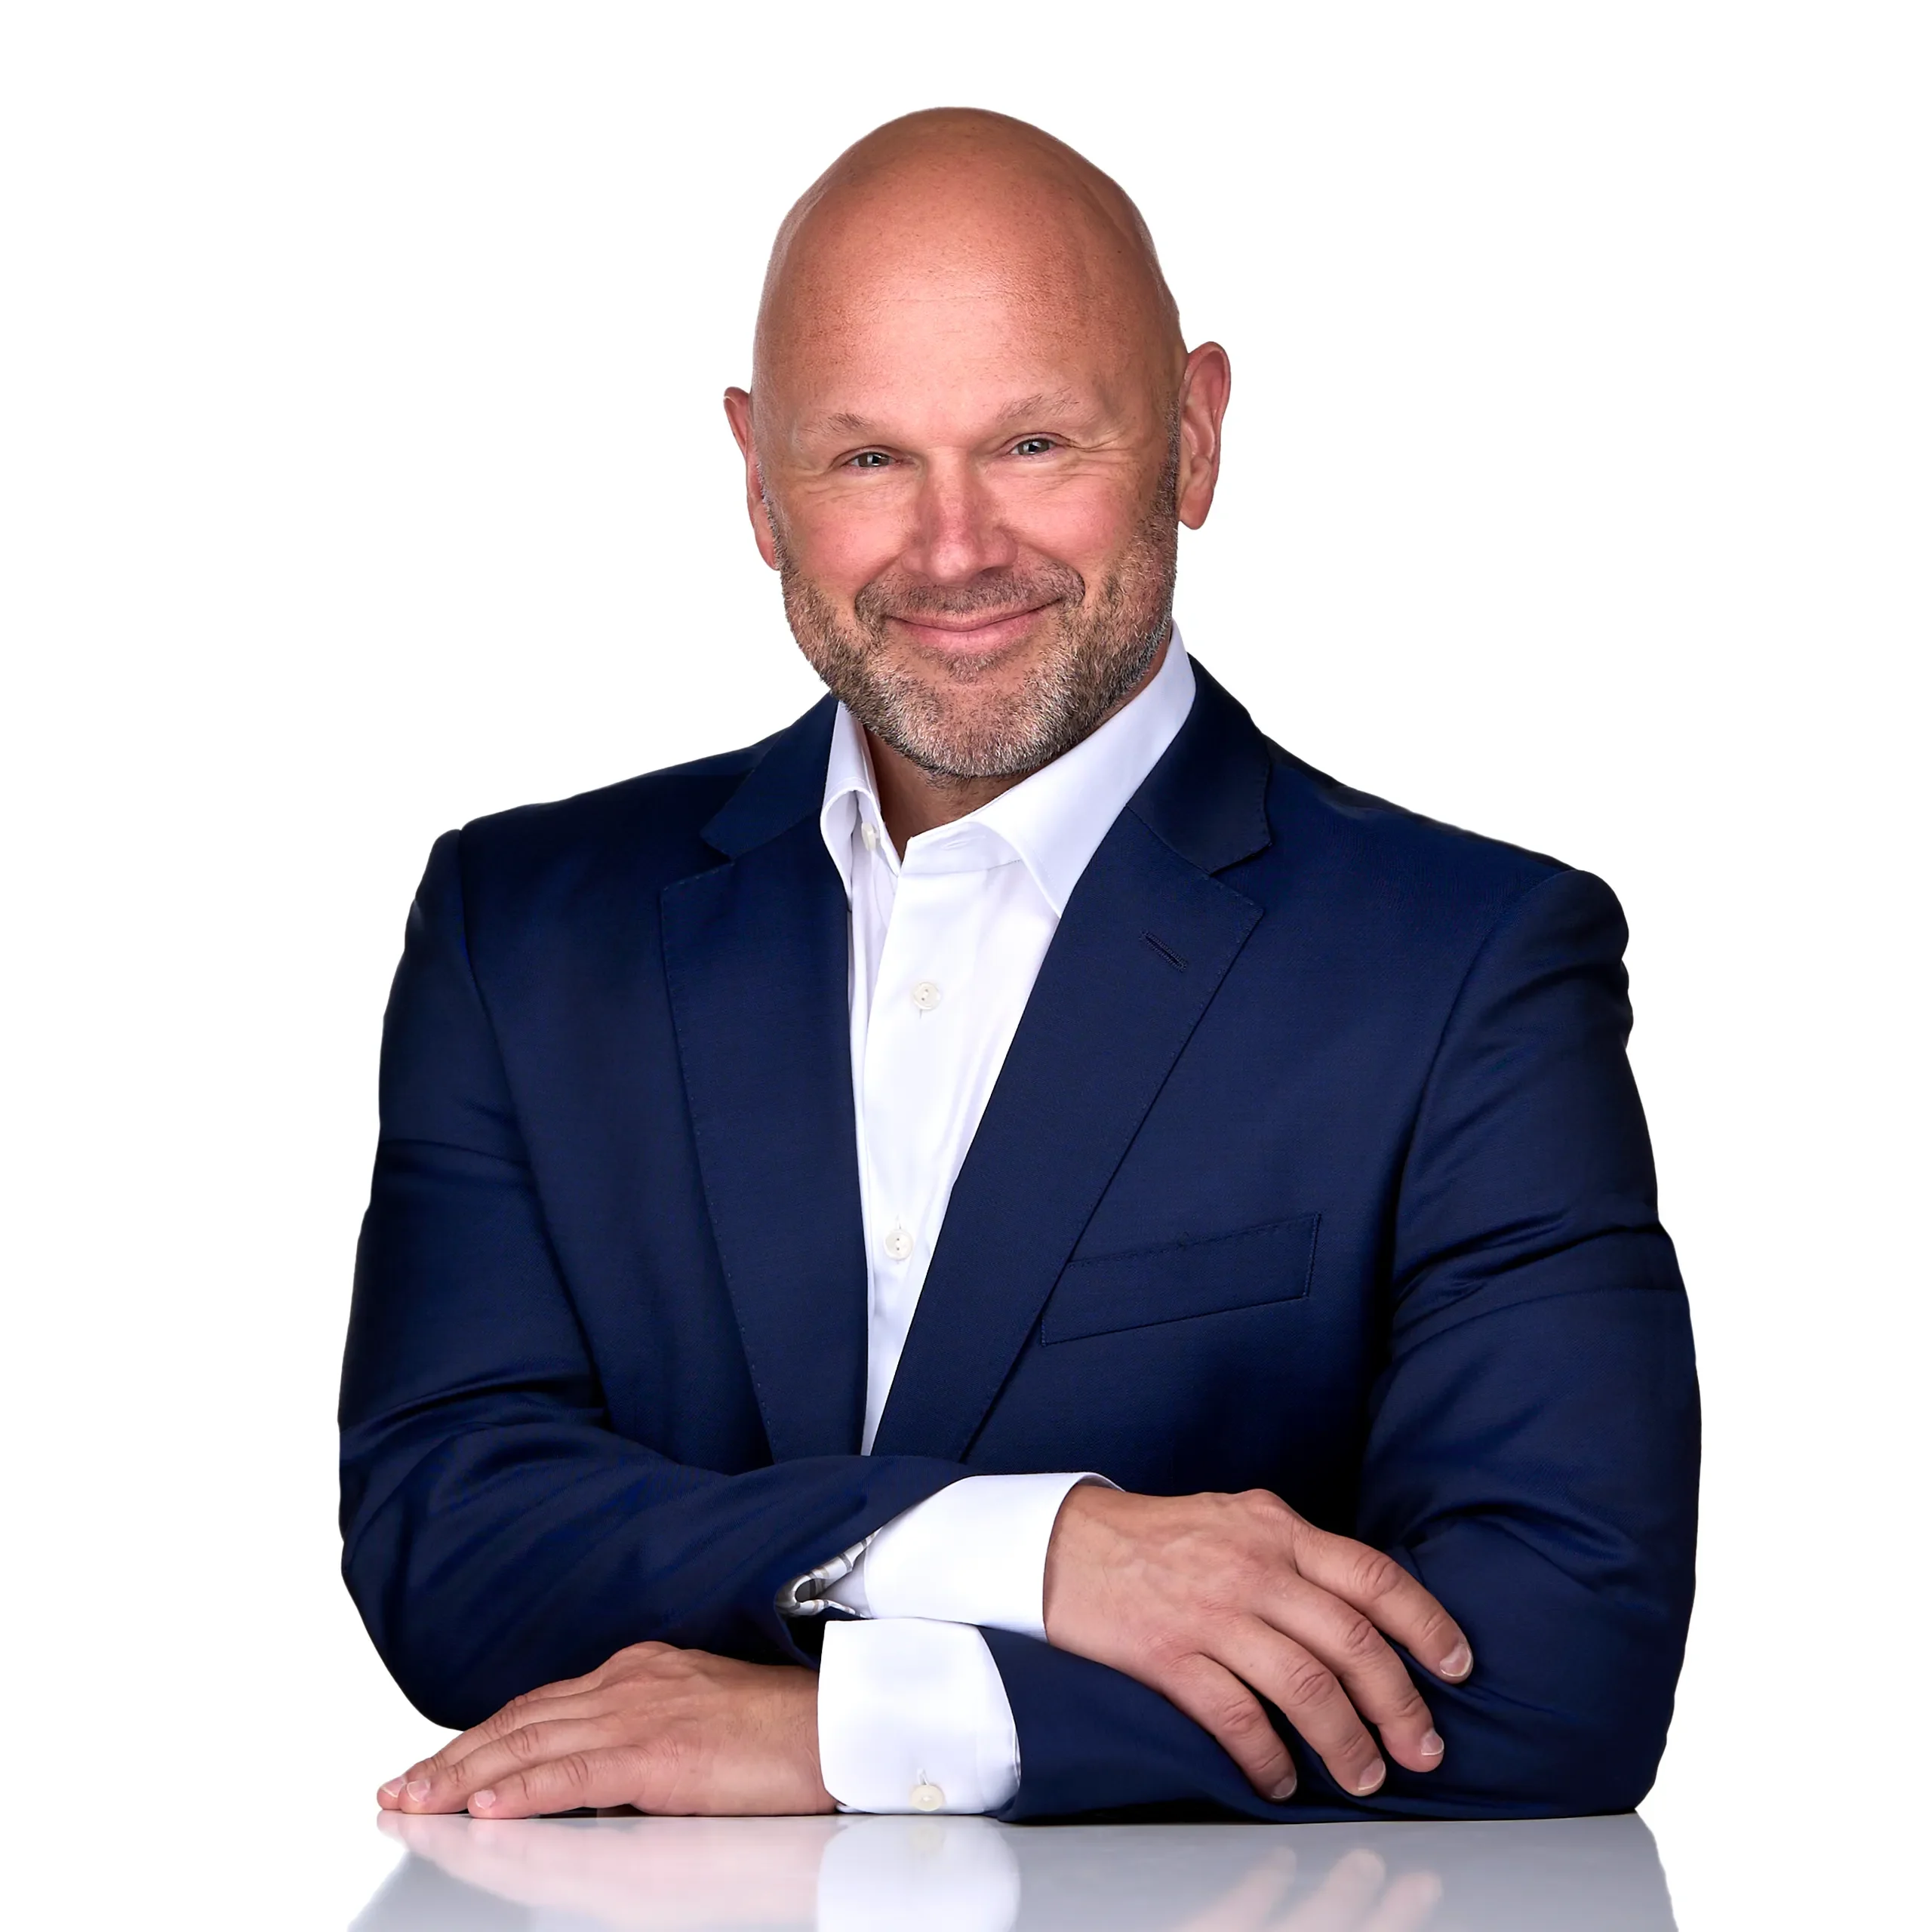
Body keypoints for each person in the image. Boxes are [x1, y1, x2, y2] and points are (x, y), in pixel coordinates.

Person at [341, 107, 1698, 1825]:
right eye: (864, 459)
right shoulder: (521, 925)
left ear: (1193, 438)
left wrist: (855, 1733)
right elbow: (445, 1522)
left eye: (1036, 440)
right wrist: (1033, 1552)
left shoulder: (1469, 968)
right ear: (756, 477)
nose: (954, 544)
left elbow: (1561, 1658)